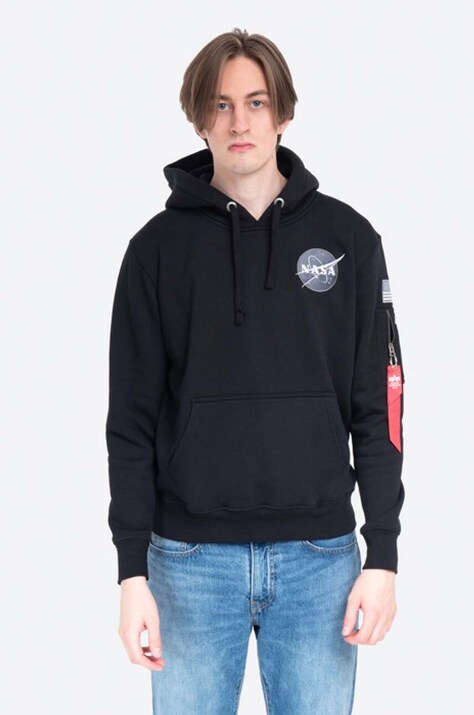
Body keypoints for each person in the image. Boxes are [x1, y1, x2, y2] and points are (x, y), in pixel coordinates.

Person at [105, 27, 406, 715]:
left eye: (256, 102)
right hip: (187, 563)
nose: (238, 122)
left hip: (320, 561)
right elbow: (130, 423)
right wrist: (130, 571)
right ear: (199, 119)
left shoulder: (349, 241)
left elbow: (378, 403)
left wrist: (383, 553)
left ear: (283, 114)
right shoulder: (155, 251)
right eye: (220, 105)